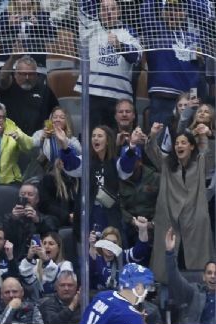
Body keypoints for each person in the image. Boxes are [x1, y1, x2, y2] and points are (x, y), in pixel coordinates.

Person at [142, 125, 214, 281]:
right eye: (176, 143)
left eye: (183, 143)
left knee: (196, 270)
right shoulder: (167, 164)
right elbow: (151, 151)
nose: (179, 146)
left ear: (191, 146)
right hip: (170, 222)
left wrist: (206, 136)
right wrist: (153, 134)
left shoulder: (200, 163)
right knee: (168, 270)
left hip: (195, 224)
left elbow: (211, 155)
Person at [77, 0, 142, 129]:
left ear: (119, 12)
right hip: (94, 93)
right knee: (93, 137)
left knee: (118, 138)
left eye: (112, 9)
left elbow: (136, 57)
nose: (108, 12)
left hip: (120, 97)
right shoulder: (91, 27)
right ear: (99, 12)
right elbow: (84, 5)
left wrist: (120, 46)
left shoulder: (128, 32)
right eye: (104, 9)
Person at [165, 228, 216, 324]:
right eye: (209, 273)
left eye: (215, 273)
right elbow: (174, 278)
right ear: (204, 277)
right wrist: (170, 253)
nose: (213, 276)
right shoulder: (193, 292)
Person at [0, 55, 58, 137]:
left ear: (36, 75)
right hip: (12, 138)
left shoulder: (45, 90)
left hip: (38, 140)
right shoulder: (9, 87)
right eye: (23, 74)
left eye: (31, 74)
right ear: (15, 74)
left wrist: (48, 133)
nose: (27, 77)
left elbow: (52, 114)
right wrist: (12, 58)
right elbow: (2, 78)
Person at [19, 232, 74, 298]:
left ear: (58, 248)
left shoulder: (66, 265)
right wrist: (29, 258)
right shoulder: (37, 263)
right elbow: (28, 281)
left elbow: (60, 284)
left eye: (51, 244)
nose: (46, 246)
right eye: (44, 243)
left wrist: (46, 261)